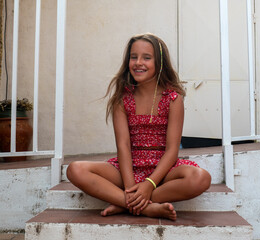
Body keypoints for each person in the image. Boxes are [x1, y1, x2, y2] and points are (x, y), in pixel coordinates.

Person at [67, 33, 211, 221]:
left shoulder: (173, 99)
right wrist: (130, 186)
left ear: (159, 63)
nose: (138, 62)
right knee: (75, 169)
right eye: (133, 57)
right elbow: (123, 146)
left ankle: (126, 203)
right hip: (129, 167)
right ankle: (144, 207)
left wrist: (150, 184)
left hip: (164, 169)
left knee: (200, 178)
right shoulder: (122, 99)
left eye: (147, 57)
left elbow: (172, 149)